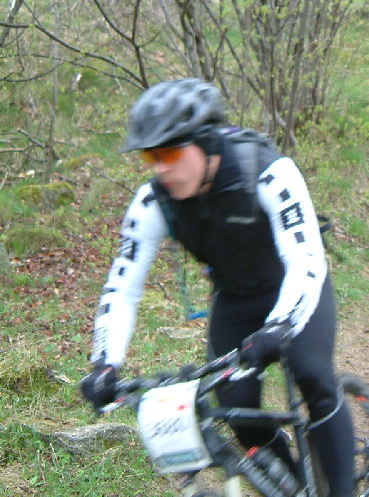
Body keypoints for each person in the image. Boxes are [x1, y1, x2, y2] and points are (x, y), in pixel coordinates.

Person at [80, 78, 355, 496]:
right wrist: (105, 364)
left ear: (207, 143)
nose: (161, 168)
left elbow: (306, 260)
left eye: (170, 152)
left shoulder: (266, 170)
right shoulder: (153, 203)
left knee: (314, 376)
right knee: (238, 411)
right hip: (236, 301)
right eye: (151, 156)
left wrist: (281, 326)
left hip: (297, 288)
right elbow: (123, 288)